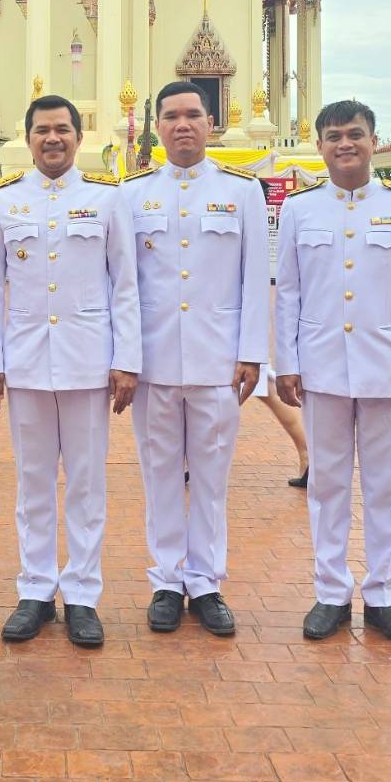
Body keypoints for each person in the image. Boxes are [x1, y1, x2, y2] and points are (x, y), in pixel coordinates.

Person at [275, 99, 391, 649]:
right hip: (321, 368)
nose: (344, 144)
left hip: (388, 369)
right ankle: (330, 593)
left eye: (355, 134)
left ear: (373, 141)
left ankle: (385, 598)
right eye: (333, 136)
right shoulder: (300, 211)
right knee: (326, 485)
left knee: (385, 486)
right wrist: (288, 362)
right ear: (319, 146)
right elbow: (290, 293)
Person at [0, 94, 140, 648]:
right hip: (24, 362)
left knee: (87, 486)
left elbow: (125, 286)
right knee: (34, 484)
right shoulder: (3, 202)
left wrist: (126, 360)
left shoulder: (106, 200)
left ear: (77, 137)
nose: (53, 139)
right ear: (28, 138)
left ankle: (84, 595)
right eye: (43, 130)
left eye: (63, 130)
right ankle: (36, 590)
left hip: (89, 361)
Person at [122, 82, 269, 638]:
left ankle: (205, 582)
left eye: (192, 116)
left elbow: (256, 278)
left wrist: (252, 352)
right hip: (154, 361)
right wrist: (126, 358)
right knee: (159, 473)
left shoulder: (241, 192)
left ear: (211, 124)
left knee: (210, 476)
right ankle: (165, 581)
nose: (182, 125)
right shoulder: (132, 195)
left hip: (217, 361)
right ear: (156, 128)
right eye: (170, 117)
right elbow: (123, 284)